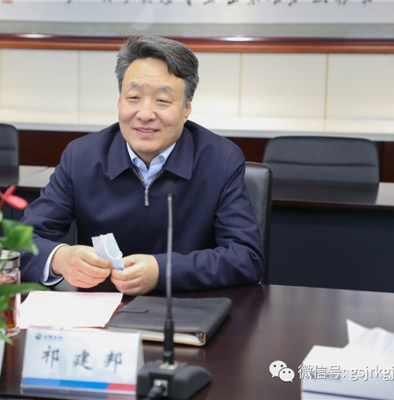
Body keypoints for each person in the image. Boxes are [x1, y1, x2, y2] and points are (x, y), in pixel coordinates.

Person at [20, 35, 263, 295]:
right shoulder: (81, 156)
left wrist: (161, 271)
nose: (145, 114)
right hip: (101, 309)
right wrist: (60, 258)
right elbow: (19, 243)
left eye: (162, 100)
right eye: (133, 97)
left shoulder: (221, 160)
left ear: (186, 107)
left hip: (188, 306)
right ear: (119, 101)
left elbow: (245, 257)